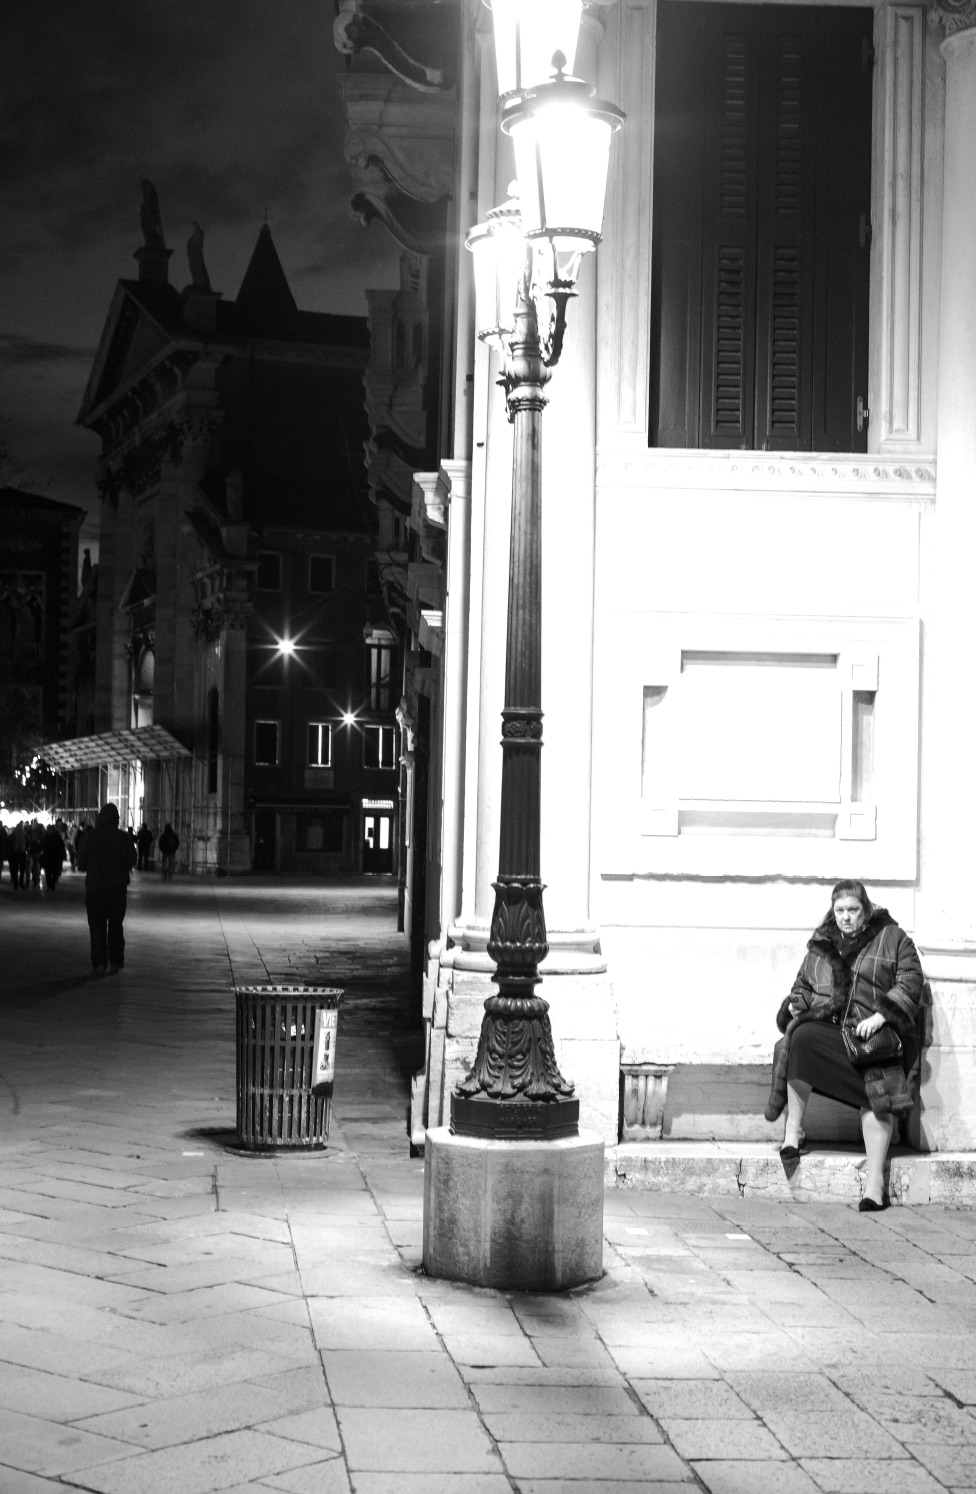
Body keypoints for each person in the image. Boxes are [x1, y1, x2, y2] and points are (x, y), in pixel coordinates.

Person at [766, 880, 924, 1212]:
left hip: (874, 1045)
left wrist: (881, 1015)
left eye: (853, 909)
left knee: (876, 1090)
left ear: (866, 909)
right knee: (799, 1038)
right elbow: (802, 987)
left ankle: (875, 1187)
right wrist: (796, 1004)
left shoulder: (893, 938)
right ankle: (793, 1134)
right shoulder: (822, 946)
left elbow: (911, 982)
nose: (846, 917)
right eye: (840, 910)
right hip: (835, 1039)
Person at [76, 803, 137, 975]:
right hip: (117, 889)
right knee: (116, 925)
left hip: (95, 889)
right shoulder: (124, 838)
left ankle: (99, 963)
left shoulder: (89, 837)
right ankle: (116, 961)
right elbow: (132, 860)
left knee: (97, 927)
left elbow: (81, 862)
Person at [41, 822, 67, 893]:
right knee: (49, 872)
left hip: (53, 857)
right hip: (51, 857)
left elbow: (61, 848)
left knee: (53, 872)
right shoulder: (50, 837)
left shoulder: (54, 838)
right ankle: (50, 885)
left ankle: (51, 885)